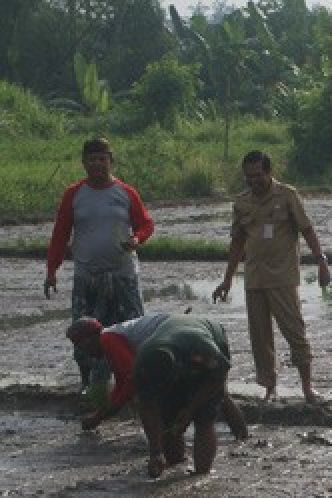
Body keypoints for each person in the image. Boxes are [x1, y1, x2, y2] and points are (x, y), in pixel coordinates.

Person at [212, 150, 331, 402]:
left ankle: (307, 387)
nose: (253, 181)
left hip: (283, 277)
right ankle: (269, 387)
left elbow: (307, 230)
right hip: (255, 278)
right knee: (260, 337)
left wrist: (321, 261)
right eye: (248, 177)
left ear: (268, 172)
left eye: (257, 175)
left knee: (294, 331)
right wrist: (227, 279)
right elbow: (237, 243)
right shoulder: (241, 202)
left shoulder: (287, 195)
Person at [45, 138, 154, 390]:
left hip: (123, 275)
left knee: (132, 329)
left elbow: (146, 224)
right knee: (84, 333)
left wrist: (137, 238)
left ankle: (134, 383)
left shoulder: (126, 193)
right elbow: (60, 234)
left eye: (102, 159)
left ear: (110, 161)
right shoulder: (74, 194)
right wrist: (52, 271)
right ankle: (89, 383)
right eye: (91, 159)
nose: (97, 164)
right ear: (84, 163)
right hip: (87, 276)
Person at [66, 314, 248, 439]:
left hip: (178, 336)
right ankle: (242, 436)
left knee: (153, 398)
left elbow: (132, 381)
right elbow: (124, 381)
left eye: (81, 345)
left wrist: (100, 417)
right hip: (189, 330)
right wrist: (103, 414)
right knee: (216, 389)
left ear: (89, 338)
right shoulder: (113, 336)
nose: (83, 351)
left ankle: (161, 442)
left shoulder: (108, 340)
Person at [133, 314, 241, 478]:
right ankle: (174, 458)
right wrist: (155, 451)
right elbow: (147, 406)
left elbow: (217, 378)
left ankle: (240, 439)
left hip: (207, 341)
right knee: (169, 416)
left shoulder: (202, 348)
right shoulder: (143, 362)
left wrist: (190, 409)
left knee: (206, 415)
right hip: (176, 343)